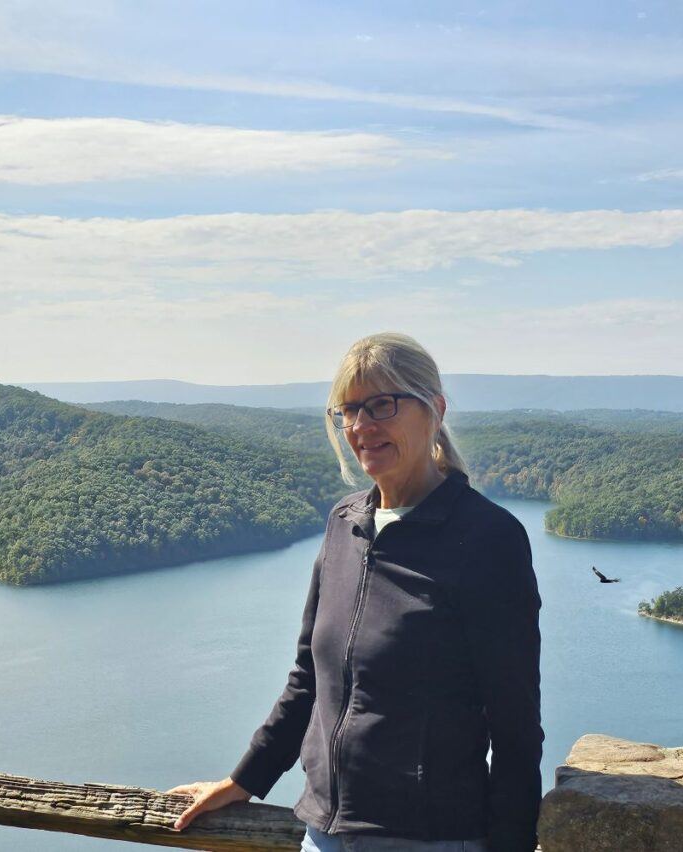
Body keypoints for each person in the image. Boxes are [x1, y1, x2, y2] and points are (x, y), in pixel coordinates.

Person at [167, 332, 543, 852]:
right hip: (324, 834)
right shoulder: (345, 523)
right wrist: (245, 781)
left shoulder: (486, 539)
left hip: (428, 838)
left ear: (434, 408)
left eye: (382, 405)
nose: (362, 426)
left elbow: (515, 721)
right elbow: (309, 680)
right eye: (349, 410)